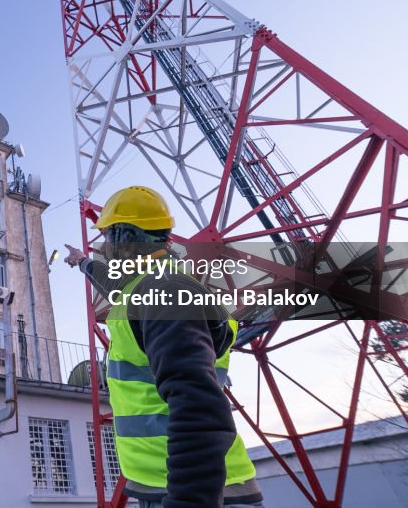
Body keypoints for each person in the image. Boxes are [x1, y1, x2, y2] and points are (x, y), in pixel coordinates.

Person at [64, 186, 263, 508]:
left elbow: (196, 401)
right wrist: (83, 262)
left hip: (195, 488)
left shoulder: (163, 291)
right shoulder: (147, 285)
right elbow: (113, 283)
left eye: (109, 239)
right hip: (167, 480)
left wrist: (189, 500)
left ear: (125, 236)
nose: (106, 249)